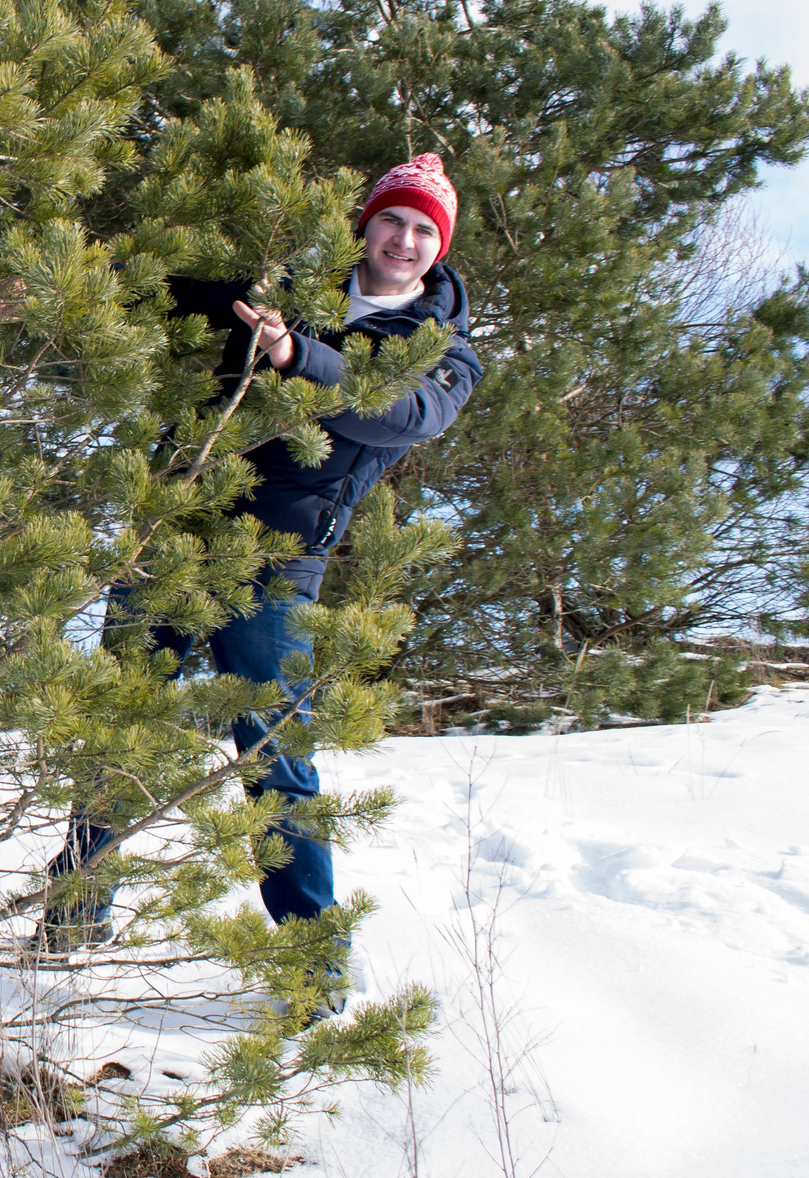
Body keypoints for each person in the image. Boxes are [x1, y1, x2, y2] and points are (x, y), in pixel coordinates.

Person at [47, 155, 483, 992]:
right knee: (117, 727)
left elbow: (404, 413)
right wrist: (56, 285)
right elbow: (166, 292)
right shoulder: (289, 285)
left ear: (440, 247)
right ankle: (72, 916)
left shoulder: (444, 349)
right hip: (175, 527)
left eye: (424, 230)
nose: (404, 239)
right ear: (366, 224)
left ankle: (312, 970)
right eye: (393, 219)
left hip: (278, 566)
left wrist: (298, 355)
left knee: (276, 756)